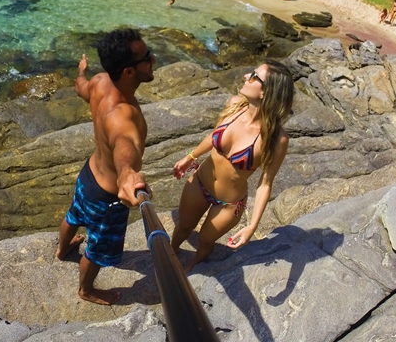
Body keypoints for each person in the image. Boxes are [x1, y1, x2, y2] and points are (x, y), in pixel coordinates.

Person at [56, 29, 154, 305]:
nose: (154, 59)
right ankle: (85, 290)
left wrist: (81, 71)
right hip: (108, 199)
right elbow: (124, 147)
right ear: (128, 72)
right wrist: (128, 175)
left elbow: (80, 87)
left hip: (88, 176)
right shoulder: (124, 116)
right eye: (147, 57)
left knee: (73, 216)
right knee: (96, 250)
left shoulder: (99, 81)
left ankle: (62, 250)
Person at [170, 59, 294, 271]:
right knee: (183, 227)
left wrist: (252, 226)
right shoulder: (235, 104)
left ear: (266, 93)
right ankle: (169, 254)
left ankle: (194, 265)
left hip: (228, 204)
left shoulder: (276, 139)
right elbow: (214, 136)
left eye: (254, 76)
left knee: (206, 241)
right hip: (199, 183)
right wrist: (190, 157)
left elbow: (265, 183)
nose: (246, 76)